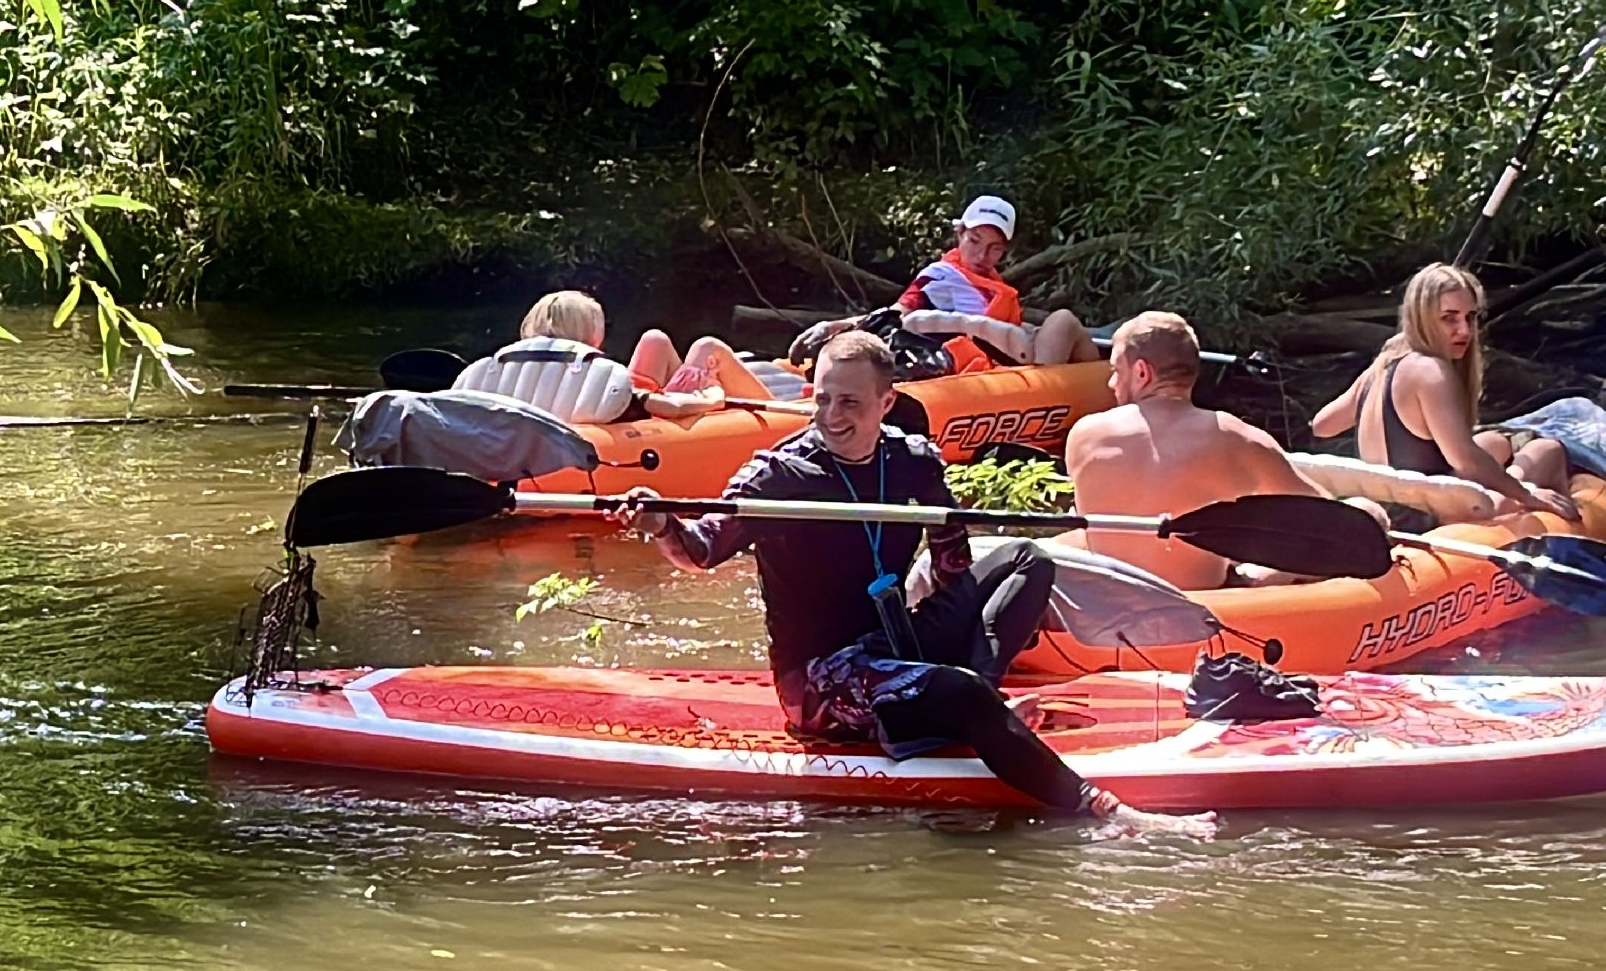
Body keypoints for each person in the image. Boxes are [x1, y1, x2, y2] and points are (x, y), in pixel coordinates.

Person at [616, 331, 1218, 837]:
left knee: (1026, 561)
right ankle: (1103, 810)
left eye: (850, 403)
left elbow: (953, 565)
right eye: (822, 400)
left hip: (894, 640)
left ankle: (971, 704)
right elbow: (700, 551)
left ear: (885, 401)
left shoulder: (914, 461)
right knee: (960, 691)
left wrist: (955, 586)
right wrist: (662, 520)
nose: (831, 416)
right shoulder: (778, 476)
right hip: (824, 678)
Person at [1061, 311, 1383, 591]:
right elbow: (1332, 519)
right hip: (1204, 598)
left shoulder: (1085, 435)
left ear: (1142, 372)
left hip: (1108, 600)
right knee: (1367, 512)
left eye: (1117, 371)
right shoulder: (1236, 437)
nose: (1112, 383)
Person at [1310, 263, 1577, 520]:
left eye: (1470, 317)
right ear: (1423, 319)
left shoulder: (1380, 369)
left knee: (1493, 442)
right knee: (1546, 451)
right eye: (1449, 318)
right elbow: (1465, 462)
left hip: (1397, 508)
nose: (1465, 330)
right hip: (1436, 518)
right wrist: (1526, 493)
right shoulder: (1430, 371)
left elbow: (1322, 425)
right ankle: (1574, 528)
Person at [787, 196, 1103, 370]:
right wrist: (833, 327)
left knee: (1067, 327)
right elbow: (897, 313)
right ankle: (1085, 394)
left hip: (1010, 353)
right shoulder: (940, 277)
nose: (981, 254)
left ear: (1004, 250)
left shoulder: (988, 279)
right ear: (960, 235)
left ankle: (1094, 390)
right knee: (1063, 321)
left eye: (993, 248)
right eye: (974, 241)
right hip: (1000, 363)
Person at [520, 291, 776, 410]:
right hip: (652, 418)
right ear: (592, 335)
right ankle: (785, 421)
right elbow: (664, 407)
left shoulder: (515, 372)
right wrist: (710, 395)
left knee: (655, 340)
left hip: (637, 409)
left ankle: (698, 377)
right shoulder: (597, 379)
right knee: (708, 348)